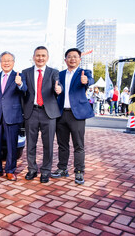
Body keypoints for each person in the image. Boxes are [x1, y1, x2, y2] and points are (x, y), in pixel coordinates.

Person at [51, 48, 95, 185]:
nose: (72, 59)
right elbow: (58, 88)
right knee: (62, 144)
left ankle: (79, 172)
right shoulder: (60, 74)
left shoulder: (84, 73)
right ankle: (62, 168)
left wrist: (85, 80)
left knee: (78, 145)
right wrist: (57, 90)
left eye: (75, 57)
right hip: (61, 113)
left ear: (79, 59)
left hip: (77, 115)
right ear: (65, 60)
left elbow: (89, 80)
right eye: (69, 57)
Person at [22, 46, 62, 183]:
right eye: (38, 55)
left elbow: (59, 85)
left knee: (48, 144)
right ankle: (32, 169)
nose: (40, 58)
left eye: (43, 55)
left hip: (48, 113)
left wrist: (58, 89)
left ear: (47, 57)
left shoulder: (53, 72)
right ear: (33, 57)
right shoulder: (25, 72)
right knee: (31, 143)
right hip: (31, 111)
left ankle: (46, 171)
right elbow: (23, 89)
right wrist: (19, 85)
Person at [0, 51, 27, 181]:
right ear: (0, 63)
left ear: (13, 62)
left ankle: (10, 170)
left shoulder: (19, 76)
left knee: (11, 145)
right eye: (4, 60)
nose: (6, 63)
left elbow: (25, 90)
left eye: (9, 60)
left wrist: (20, 84)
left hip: (13, 115)